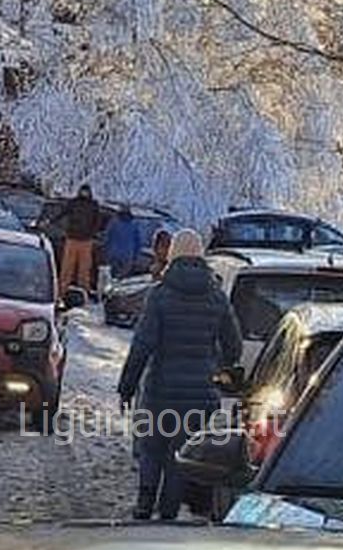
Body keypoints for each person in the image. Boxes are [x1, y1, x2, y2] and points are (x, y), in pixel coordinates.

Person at [117, 229, 242, 521]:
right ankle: (168, 514)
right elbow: (234, 346)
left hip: (160, 391)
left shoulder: (160, 295)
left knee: (151, 448)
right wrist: (213, 365)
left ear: (172, 255)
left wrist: (127, 386)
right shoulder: (217, 297)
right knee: (179, 456)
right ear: (201, 256)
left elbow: (142, 345)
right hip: (200, 396)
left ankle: (144, 505)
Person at [52, 184, 100, 294]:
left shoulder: (93, 205)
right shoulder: (73, 203)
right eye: (83, 191)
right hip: (72, 238)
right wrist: (52, 221)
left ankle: (84, 292)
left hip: (86, 241)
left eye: (86, 191)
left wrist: (92, 233)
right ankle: (62, 291)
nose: (84, 193)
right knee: (67, 268)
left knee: (84, 269)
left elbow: (98, 221)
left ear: (90, 192)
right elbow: (62, 213)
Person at [103, 206, 142, 279]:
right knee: (124, 278)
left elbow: (107, 237)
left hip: (113, 253)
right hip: (127, 254)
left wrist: (105, 250)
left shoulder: (113, 223)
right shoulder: (134, 224)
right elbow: (138, 242)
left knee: (111, 276)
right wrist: (135, 256)